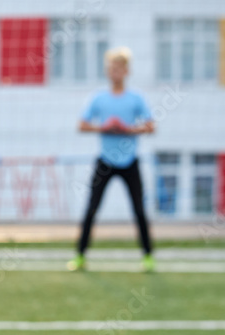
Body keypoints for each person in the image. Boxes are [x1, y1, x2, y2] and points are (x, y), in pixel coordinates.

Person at [69, 47, 156, 273]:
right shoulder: (99, 98)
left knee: (138, 210)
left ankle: (148, 257)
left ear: (126, 71)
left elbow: (150, 126)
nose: (114, 72)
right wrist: (104, 127)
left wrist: (128, 129)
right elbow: (82, 125)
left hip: (130, 161)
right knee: (91, 209)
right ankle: (80, 256)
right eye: (111, 68)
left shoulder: (136, 98)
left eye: (118, 68)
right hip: (105, 161)